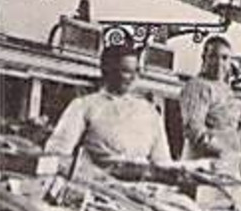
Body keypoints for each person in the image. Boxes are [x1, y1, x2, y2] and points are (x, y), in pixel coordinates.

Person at [46, 43, 174, 175]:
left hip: (142, 188)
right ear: (107, 70)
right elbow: (57, 154)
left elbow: (163, 163)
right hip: (97, 186)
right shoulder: (84, 106)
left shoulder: (150, 112)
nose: (133, 78)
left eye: (136, 71)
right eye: (126, 71)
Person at [179, 36, 241, 160]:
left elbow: (229, 130)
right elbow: (194, 132)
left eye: (224, 58)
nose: (219, 63)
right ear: (204, 58)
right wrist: (226, 151)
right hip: (202, 163)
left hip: (224, 161)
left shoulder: (226, 90)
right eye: (213, 56)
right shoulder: (197, 86)